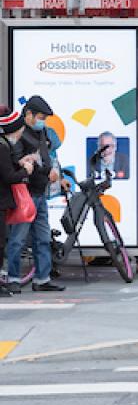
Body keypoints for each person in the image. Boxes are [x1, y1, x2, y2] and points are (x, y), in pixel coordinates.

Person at [6, 96, 64, 292]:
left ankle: (42, 278)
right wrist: (45, 171)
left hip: (40, 192)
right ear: (28, 114)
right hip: (25, 194)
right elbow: (19, 160)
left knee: (43, 237)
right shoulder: (20, 133)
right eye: (40, 117)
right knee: (18, 239)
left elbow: (46, 157)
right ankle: (13, 278)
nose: (43, 121)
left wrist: (53, 172)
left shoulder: (41, 133)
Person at [0, 107, 35, 297]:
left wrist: (19, 163)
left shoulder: (5, 145)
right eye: (20, 128)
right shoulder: (2, 147)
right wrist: (25, 171)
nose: (22, 132)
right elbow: (8, 176)